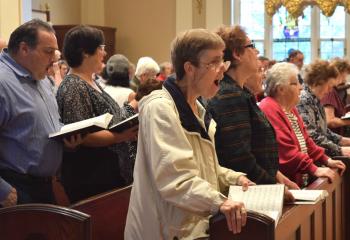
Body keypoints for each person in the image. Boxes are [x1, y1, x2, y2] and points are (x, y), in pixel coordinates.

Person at [125, 29, 253, 240]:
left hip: (190, 228)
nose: (222, 71)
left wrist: (235, 178)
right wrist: (219, 202)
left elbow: (203, 168)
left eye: (223, 61)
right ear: (189, 68)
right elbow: (175, 179)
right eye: (214, 62)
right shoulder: (160, 108)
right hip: (162, 231)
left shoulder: (197, 107)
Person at [0, 19, 80, 207]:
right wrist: (3, 191)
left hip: (45, 186)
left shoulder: (41, 76)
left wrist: (66, 141)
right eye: (48, 52)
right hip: (15, 188)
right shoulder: (3, 83)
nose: (55, 59)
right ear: (24, 49)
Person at [207, 25, 298, 189]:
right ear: (237, 53)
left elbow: (256, 150)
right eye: (252, 46)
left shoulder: (240, 92)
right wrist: (273, 187)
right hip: (247, 192)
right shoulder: (230, 95)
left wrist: (277, 176)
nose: (257, 52)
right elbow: (239, 158)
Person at [56, 25, 138, 203]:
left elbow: (108, 119)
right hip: (92, 175)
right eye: (101, 48)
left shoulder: (91, 81)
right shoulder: (73, 85)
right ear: (85, 52)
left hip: (106, 171)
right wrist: (121, 135)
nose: (105, 53)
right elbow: (83, 134)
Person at [259, 62, 346, 187]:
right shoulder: (269, 107)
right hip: (284, 183)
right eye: (295, 83)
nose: (300, 87)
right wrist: (314, 169)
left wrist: (326, 159)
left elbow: (307, 141)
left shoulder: (291, 108)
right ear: (280, 89)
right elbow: (286, 152)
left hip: (298, 178)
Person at [297, 60, 350, 158]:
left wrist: (344, 141)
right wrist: (340, 150)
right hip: (313, 158)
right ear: (319, 82)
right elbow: (312, 137)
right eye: (329, 86)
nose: (330, 90)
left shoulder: (315, 98)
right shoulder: (303, 99)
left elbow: (324, 131)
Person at [321, 58, 350, 135]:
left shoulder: (334, 91)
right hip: (331, 139)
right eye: (345, 75)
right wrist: (347, 121)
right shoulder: (329, 92)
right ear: (339, 73)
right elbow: (330, 121)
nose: (345, 80)